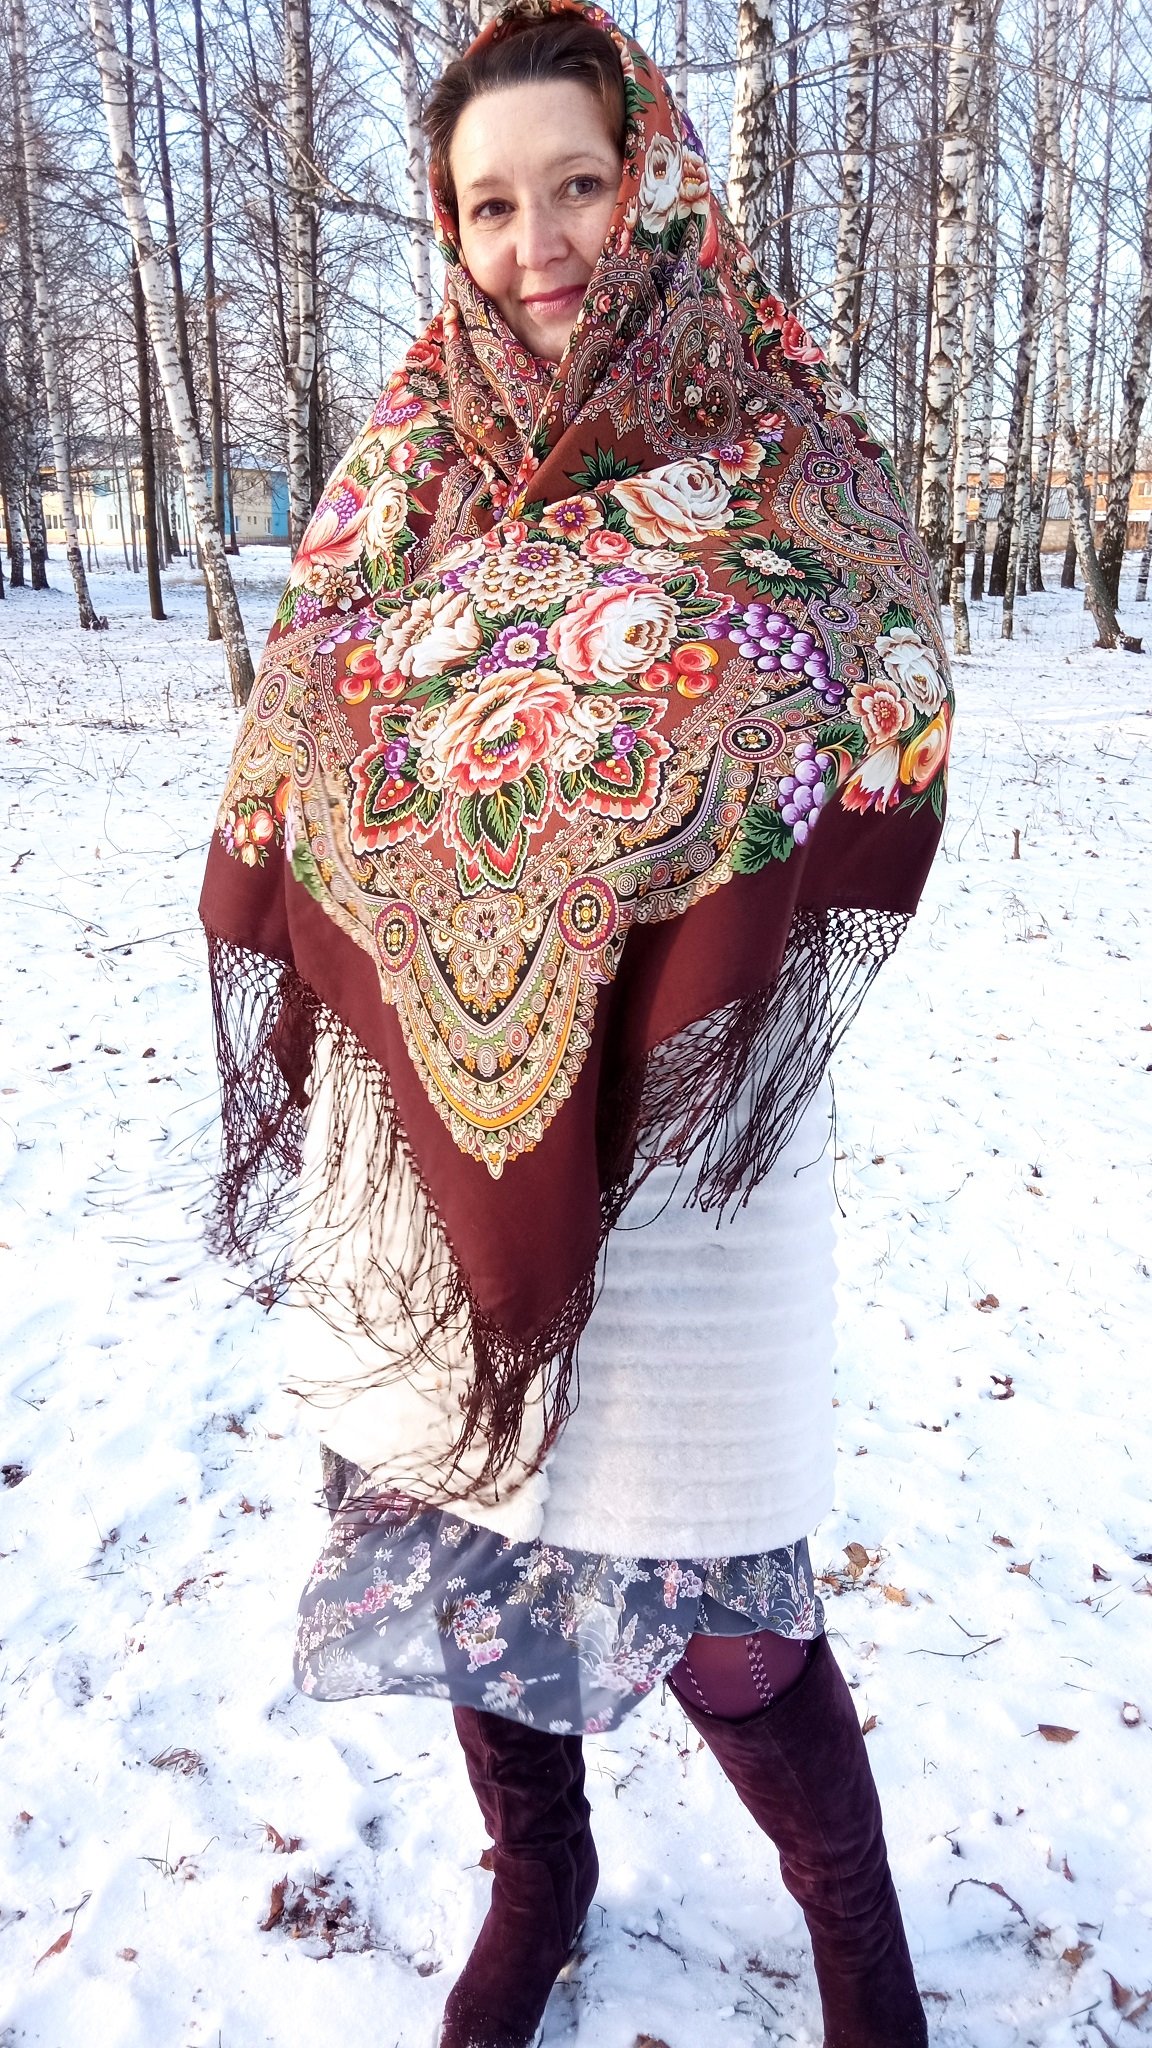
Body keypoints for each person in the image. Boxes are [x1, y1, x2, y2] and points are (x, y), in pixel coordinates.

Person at [200, 4, 952, 2043]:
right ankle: (540, 1882)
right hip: (420, 1118)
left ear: (656, 187)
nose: (535, 241)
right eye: (488, 203)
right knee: (465, 1518)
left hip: (690, 1121)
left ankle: (860, 1947)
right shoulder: (400, 473)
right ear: (446, 227)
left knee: (714, 1581)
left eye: (579, 186)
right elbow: (297, 748)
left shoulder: (772, 450)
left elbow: (886, 677)